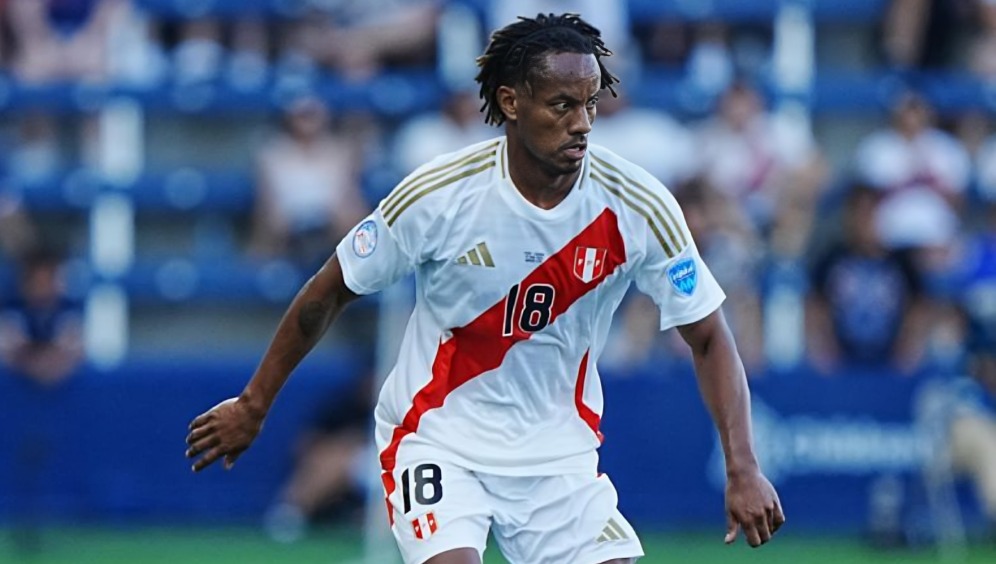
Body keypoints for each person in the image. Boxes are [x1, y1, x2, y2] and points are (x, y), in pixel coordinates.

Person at [186, 13, 784, 564]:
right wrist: (255, 402)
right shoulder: (440, 195)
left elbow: (708, 336)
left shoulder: (638, 204)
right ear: (511, 102)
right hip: (436, 436)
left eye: (590, 105)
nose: (581, 124)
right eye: (561, 105)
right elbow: (328, 291)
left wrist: (743, 466)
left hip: (558, 458)